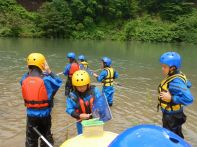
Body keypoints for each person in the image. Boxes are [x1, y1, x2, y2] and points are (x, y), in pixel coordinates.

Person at [20, 53, 62, 147]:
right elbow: (59, 82)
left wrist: (29, 71)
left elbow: (22, 81)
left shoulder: (24, 80)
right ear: (42, 64)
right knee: (46, 137)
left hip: (31, 117)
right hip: (45, 116)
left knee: (31, 140)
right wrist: (49, 71)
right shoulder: (47, 80)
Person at [158, 51, 194, 138]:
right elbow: (188, 84)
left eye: (165, 67)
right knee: (176, 135)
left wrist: (171, 98)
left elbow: (189, 99)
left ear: (172, 68)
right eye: (162, 66)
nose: (162, 69)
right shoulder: (177, 74)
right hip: (176, 114)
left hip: (171, 116)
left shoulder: (175, 80)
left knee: (170, 137)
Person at [66, 70, 103, 134]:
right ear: (75, 86)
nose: (81, 88)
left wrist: (99, 109)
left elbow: (100, 102)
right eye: (78, 86)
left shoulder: (94, 91)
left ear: (88, 84)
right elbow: (69, 109)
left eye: (83, 85)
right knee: (82, 137)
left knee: (96, 136)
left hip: (95, 120)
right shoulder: (72, 96)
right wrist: (79, 115)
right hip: (81, 122)